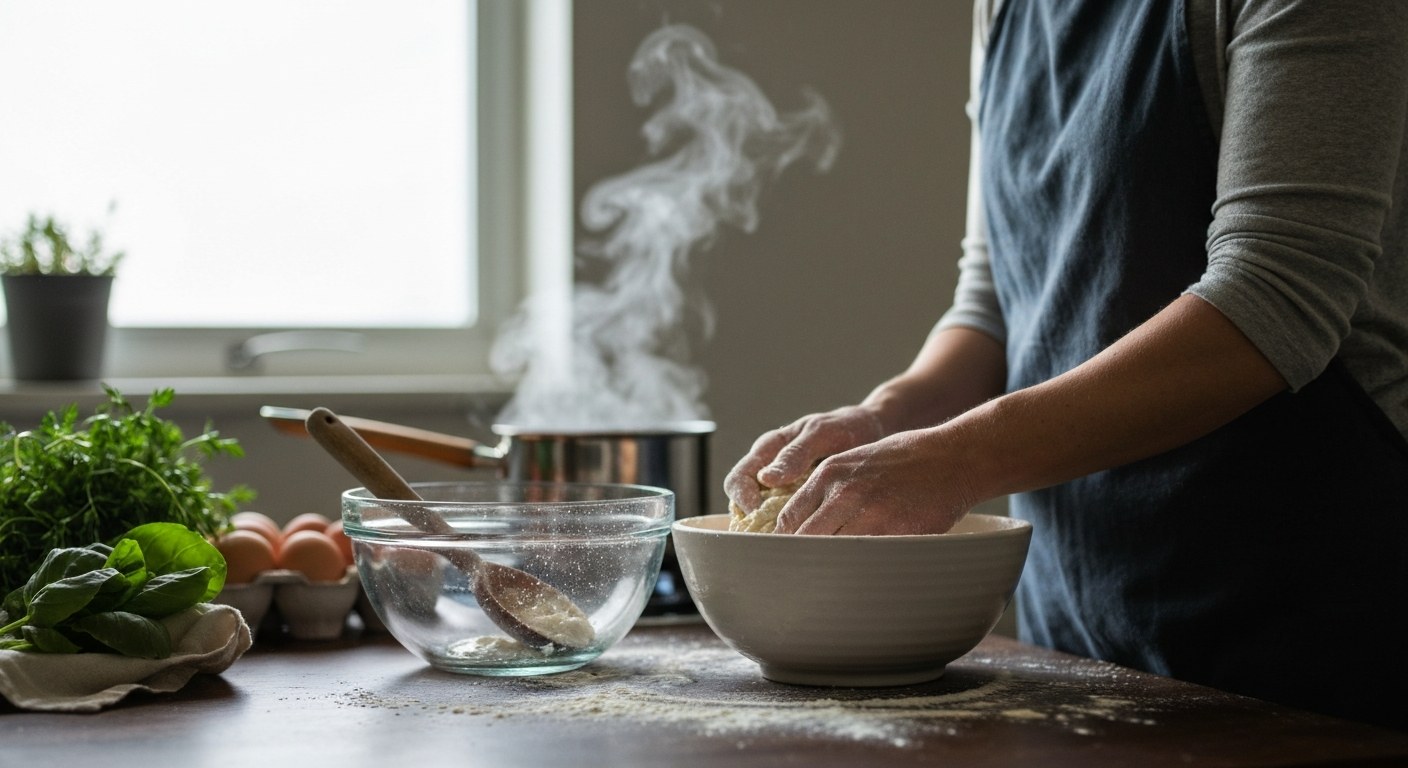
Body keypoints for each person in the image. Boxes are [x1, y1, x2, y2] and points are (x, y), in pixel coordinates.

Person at [724, 0, 1408, 731]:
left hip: (1305, 625)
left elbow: (1273, 297)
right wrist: (883, 419)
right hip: (1076, 629)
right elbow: (995, 304)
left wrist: (952, 460)